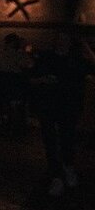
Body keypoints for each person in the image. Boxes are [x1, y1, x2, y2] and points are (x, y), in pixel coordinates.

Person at [29, 32, 95, 197]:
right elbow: (31, 78)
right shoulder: (45, 57)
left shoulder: (76, 60)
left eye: (65, 39)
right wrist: (43, 80)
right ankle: (56, 175)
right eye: (59, 39)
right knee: (50, 140)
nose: (61, 42)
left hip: (69, 105)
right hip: (49, 105)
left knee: (68, 138)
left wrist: (86, 47)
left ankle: (68, 167)